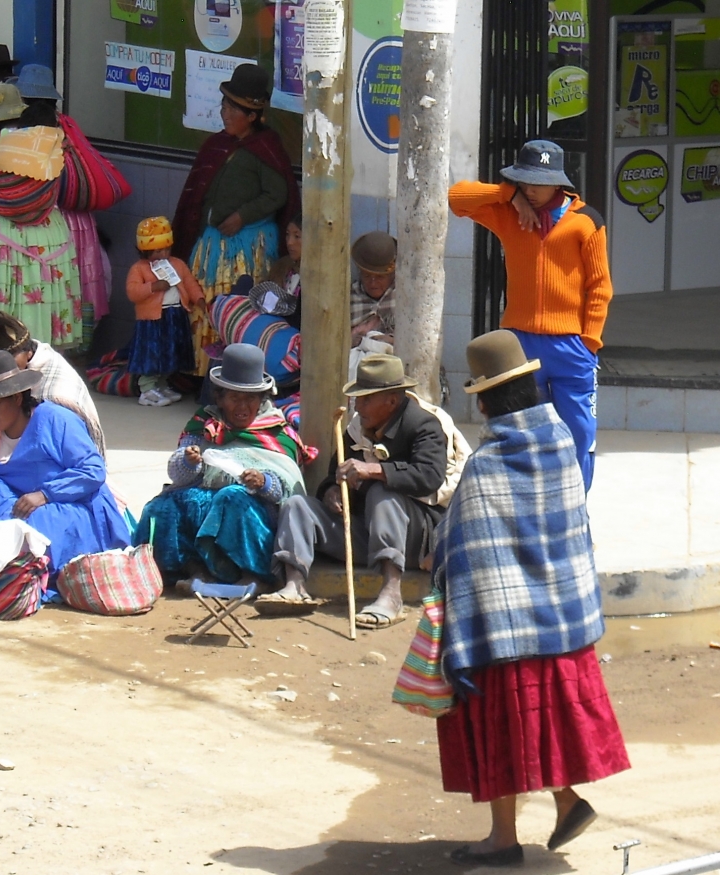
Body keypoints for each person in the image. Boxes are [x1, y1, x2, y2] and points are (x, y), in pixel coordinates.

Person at [435, 330, 629, 866]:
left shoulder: (485, 466)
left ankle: (504, 837)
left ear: (482, 400)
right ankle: (566, 802)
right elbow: (572, 528)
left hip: (505, 626)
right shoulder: (562, 446)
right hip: (563, 620)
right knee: (544, 725)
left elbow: (462, 549)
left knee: (504, 727)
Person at [449, 140, 612, 492]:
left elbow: (600, 286)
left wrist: (590, 343)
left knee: (579, 434)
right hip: (520, 346)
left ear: (559, 182)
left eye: (539, 182)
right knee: (524, 431)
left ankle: (575, 509)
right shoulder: (509, 213)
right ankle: (532, 502)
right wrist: (508, 195)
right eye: (525, 181)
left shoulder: (587, 222)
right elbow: (456, 198)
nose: (532, 190)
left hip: (573, 347)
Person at [263, 354, 448, 625]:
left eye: (366, 399)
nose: (358, 407)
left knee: (381, 492)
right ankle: (295, 586)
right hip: (364, 534)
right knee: (298, 504)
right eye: (357, 399)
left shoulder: (424, 426)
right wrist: (332, 491)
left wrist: (377, 471)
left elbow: (430, 476)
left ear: (392, 401)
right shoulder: (355, 429)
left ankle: (391, 593)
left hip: (410, 538)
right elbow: (333, 473)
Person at [0, 350, 130, 586]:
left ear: (17, 398)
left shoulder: (56, 420)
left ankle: (32, 575)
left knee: (43, 519)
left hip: (69, 510)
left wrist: (45, 495)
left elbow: (92, 470)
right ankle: (2, 570)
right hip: (17, 514)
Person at [134, 344, 316, 585]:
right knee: (167, 504)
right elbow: (179, 476)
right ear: (219, 398)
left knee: (231, 498)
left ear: (261, 399)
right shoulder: (204, 424)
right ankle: (194, 571)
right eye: (234, 398)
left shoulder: (278, 431)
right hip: (207, 502)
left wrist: (264, 482)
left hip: (257, 511)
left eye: (250, 398)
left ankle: (251, 575)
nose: (242, 407)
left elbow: (288, 490)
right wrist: (189, 462)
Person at [171, 64, 301, 374]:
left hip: (248, 248)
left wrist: (243, 216)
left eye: (233, 108)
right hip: (212, 247)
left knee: (239, 308)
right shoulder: (216, 146)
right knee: (206, 304)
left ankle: (237, 372)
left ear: (252, 116)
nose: (225, 113)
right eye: (224, 106)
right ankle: (200, 371)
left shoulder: (265, 150)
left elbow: (277, 194)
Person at [0, 83, 82, 353]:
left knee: (7, 299)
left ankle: (2, 358)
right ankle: (40, 356)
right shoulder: (53, 146)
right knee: (41, 294)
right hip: (47, 232)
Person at [14, 64, 114, 340]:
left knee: (49, 289)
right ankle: (78, 350)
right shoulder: (68, 127)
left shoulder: (26, 133)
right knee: (82, 287)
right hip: (79, 222)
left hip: (47, 221)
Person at [0, 310, 105, 456]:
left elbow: (79, 458)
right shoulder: (21, 367)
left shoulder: (54, 397)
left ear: (28, 352)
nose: (5, 369)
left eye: (10, 360)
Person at [125, 216, 206, 408]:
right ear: (145, 250)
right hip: (152, 321)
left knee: (171, 353)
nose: (163, 254)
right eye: (157, 250)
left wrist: (199, 299)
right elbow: (132, 292)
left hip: (175, 316)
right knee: (152, 354)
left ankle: (161, 385)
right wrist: (153, 287)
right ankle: (146, 389)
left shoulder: (176, 264)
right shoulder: (139, 269)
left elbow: (189, 282)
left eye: (166, 249)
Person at [350, 231, 397, 347]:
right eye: (367, 276)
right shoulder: (349, 298)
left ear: (392, 274)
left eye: (380, 277)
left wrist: (391, 341)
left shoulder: (403, 296)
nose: (373, 282)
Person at [266, 213, 303, 330]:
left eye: (297, 236)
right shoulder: (281, 266)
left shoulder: (319, 277)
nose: (289, 242)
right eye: (287, 235)